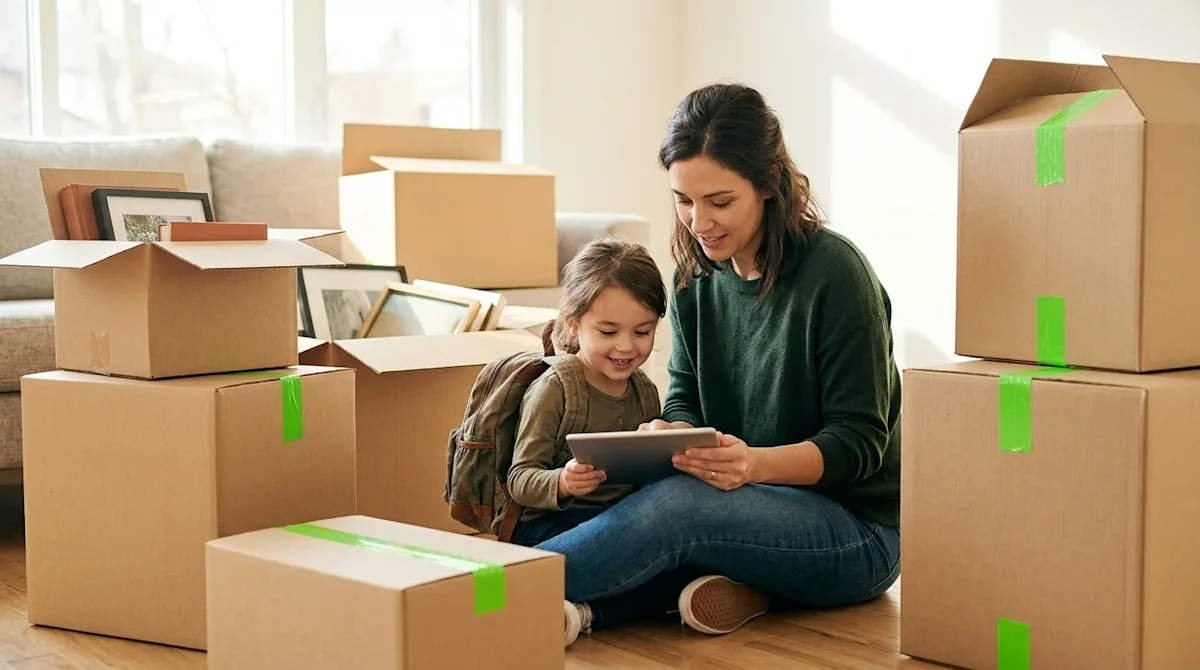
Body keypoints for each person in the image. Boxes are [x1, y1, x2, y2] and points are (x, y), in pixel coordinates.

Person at [532, 82, 903, 646]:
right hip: (742, 502)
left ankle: (474, 593)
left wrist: (751, 464)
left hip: (857, 532)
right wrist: (671, 431)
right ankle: (715, 591)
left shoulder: (837, 275)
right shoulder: (694, 280)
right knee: (595, 505)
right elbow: (685, 396)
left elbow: (857, 445)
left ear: (770, 185)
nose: (697, 221)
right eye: (684, 199)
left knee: (678, 509)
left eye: (720, 202)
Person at [504, 238, 668, 644]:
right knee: (652, 567)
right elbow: (519, 479)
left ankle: (582, 608)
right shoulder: (556, 387)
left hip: (617, 523)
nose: (627, 346)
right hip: (548, 528)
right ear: (574, 324)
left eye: (643, 331)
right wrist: (562, 481)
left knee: (678, 556)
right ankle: (590, 610)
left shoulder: (645, 392)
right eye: (609, 331)